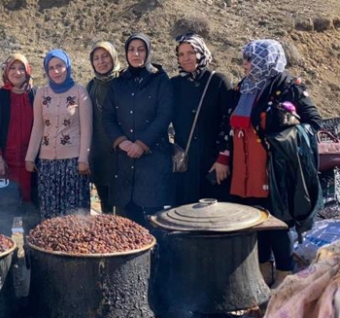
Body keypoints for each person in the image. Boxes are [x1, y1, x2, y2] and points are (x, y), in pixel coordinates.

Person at [229, 39, 322, 287]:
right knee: (254, 222)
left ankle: (283, 280)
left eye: (251, 59)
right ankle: (261, 281)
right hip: (246, 168)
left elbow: (313, 122)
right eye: (245, 59)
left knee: (277, 223)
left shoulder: (288, 86)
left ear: (265, 60)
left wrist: (281, 133)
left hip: (273, 168)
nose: (246, 64)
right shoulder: (243, 88)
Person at [102, 33, 174, 229]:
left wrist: (142, 144)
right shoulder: (118, 83)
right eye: (131, 49)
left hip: (153, 160)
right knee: (129, 226)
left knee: (156, 222)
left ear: (148, 52)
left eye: (140, 49)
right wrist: (122, 142)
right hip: (124, 161)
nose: (135, 54)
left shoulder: (160, 80)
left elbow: (164, 115)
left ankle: (159, 259)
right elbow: (107, 116)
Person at [25, 49, 92, 220]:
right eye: (52, 68)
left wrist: (83, 158)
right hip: (47, 165)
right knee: (50, 213)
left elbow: (86, 128)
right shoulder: (42, 93)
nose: (56, 71)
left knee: (74, 215)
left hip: (73, 164)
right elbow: (38, 127)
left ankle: (77, 247)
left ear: (67, 67)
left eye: (60, 66)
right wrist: (30, 156)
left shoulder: (79, 92)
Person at [171, 33, 234, 205]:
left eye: (190, 52)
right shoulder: (174, 84)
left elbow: (230, 122)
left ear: (200, 53)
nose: (186, 58)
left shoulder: (218, 82)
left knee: (214, 216)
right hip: (185, 164)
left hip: (214, 164)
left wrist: (223, 158)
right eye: (181, 54)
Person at [0, 53, 37, 234]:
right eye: (13, 68)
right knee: (4, 214)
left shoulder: (35, 95)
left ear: (28, 71)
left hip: (32, 166)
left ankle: (30, 257)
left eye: (21, 68)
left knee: (31, 214)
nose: (17, 72)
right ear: (6, 72)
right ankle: (7, 258)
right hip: (6, 164)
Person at [86, 41, 121, 213]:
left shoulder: (124, 81)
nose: (101, 61)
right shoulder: (92, 86)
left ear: (113, 57)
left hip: (122, 156)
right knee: (106, 209)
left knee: (124, 211)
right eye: (96, 58)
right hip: (100, 156)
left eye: (105, 56)